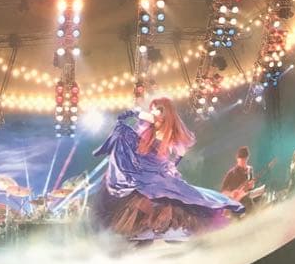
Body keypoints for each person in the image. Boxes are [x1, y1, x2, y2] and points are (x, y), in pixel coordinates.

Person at [94, 97, 244, 241]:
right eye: (152, 109)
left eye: (157, 109)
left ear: (165, 112)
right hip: (144, 173)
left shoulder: (170, 133)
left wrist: (169, 170)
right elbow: (129, 133)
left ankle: (170, 229)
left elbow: (178, 155)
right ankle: (140, 232)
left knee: (178, 198)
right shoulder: (147, 129)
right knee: (135, 196)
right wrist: (134, 114)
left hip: (158, 175)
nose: (153, 112)